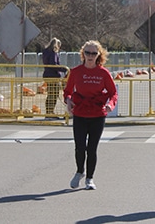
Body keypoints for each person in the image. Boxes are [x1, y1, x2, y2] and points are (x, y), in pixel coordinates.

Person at [63, 40, 118, 190]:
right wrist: (68, 100)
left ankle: (90, 178)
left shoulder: (103, 73)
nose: (90, 56)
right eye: (87, 52)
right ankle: (80, 171)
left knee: (92, 149)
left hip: (97, 115)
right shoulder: (76, 72)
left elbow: (113, 93)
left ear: (99, 55)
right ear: (83, 54)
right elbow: (68, 91)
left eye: (94, 53)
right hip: (80, 113)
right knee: (80, 147)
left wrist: (110, 105)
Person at [42, 37, 68, 116]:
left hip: (47, 75)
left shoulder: (46, 52)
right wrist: (63, 69)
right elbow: (53, 64)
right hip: (53, 76)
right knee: (54, 94)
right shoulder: (53, 53)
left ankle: (48, 111)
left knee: (50, 94)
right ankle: (50, 111)